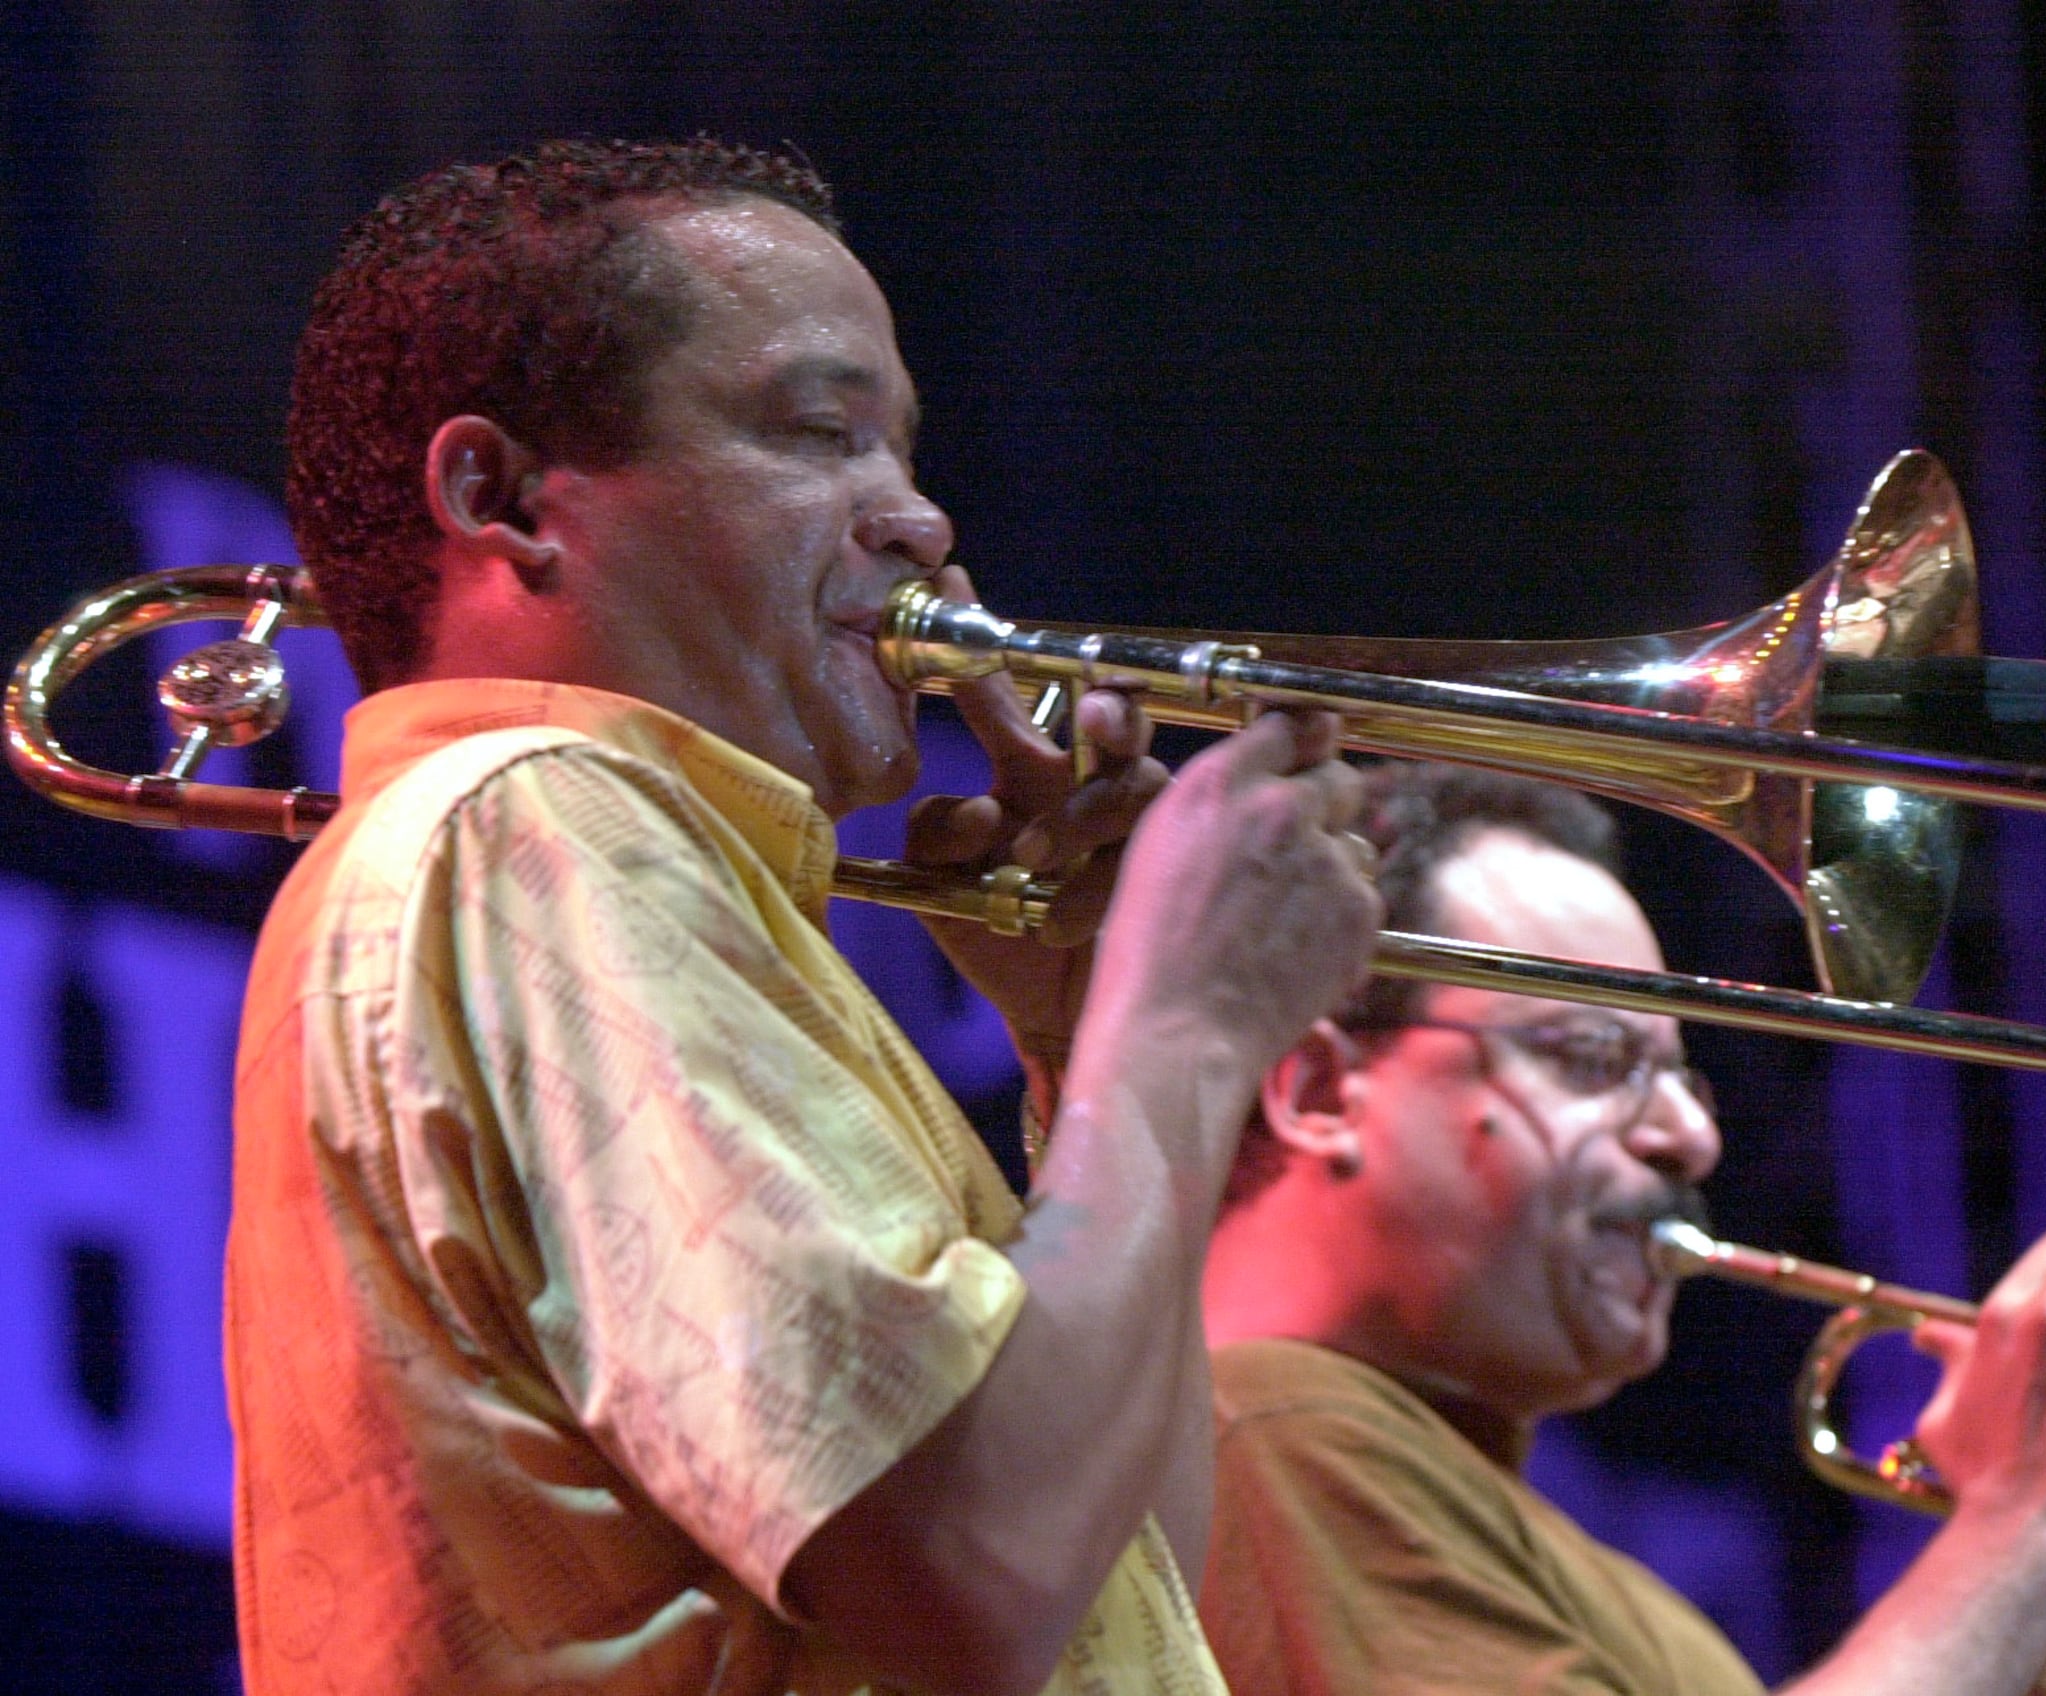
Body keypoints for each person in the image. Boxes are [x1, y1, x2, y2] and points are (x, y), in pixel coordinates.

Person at [230, 138, 1381, 1695]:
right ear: (500, 500)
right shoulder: (537, 824)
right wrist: (1176, 1033)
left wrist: (1079, 1046)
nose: (916, 521)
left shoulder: (633, 868)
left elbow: (1106, 1585)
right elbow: (971, 1576)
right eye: (821, 433)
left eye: (905, 452)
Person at [1198, 762, 2046, 1696]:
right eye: (1593, 1060)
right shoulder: (1270, 1424)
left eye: (1687, 1079)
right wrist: (2036, 1515)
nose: (1690, 1137)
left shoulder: (1519, 1532)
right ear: (1321, 1091)